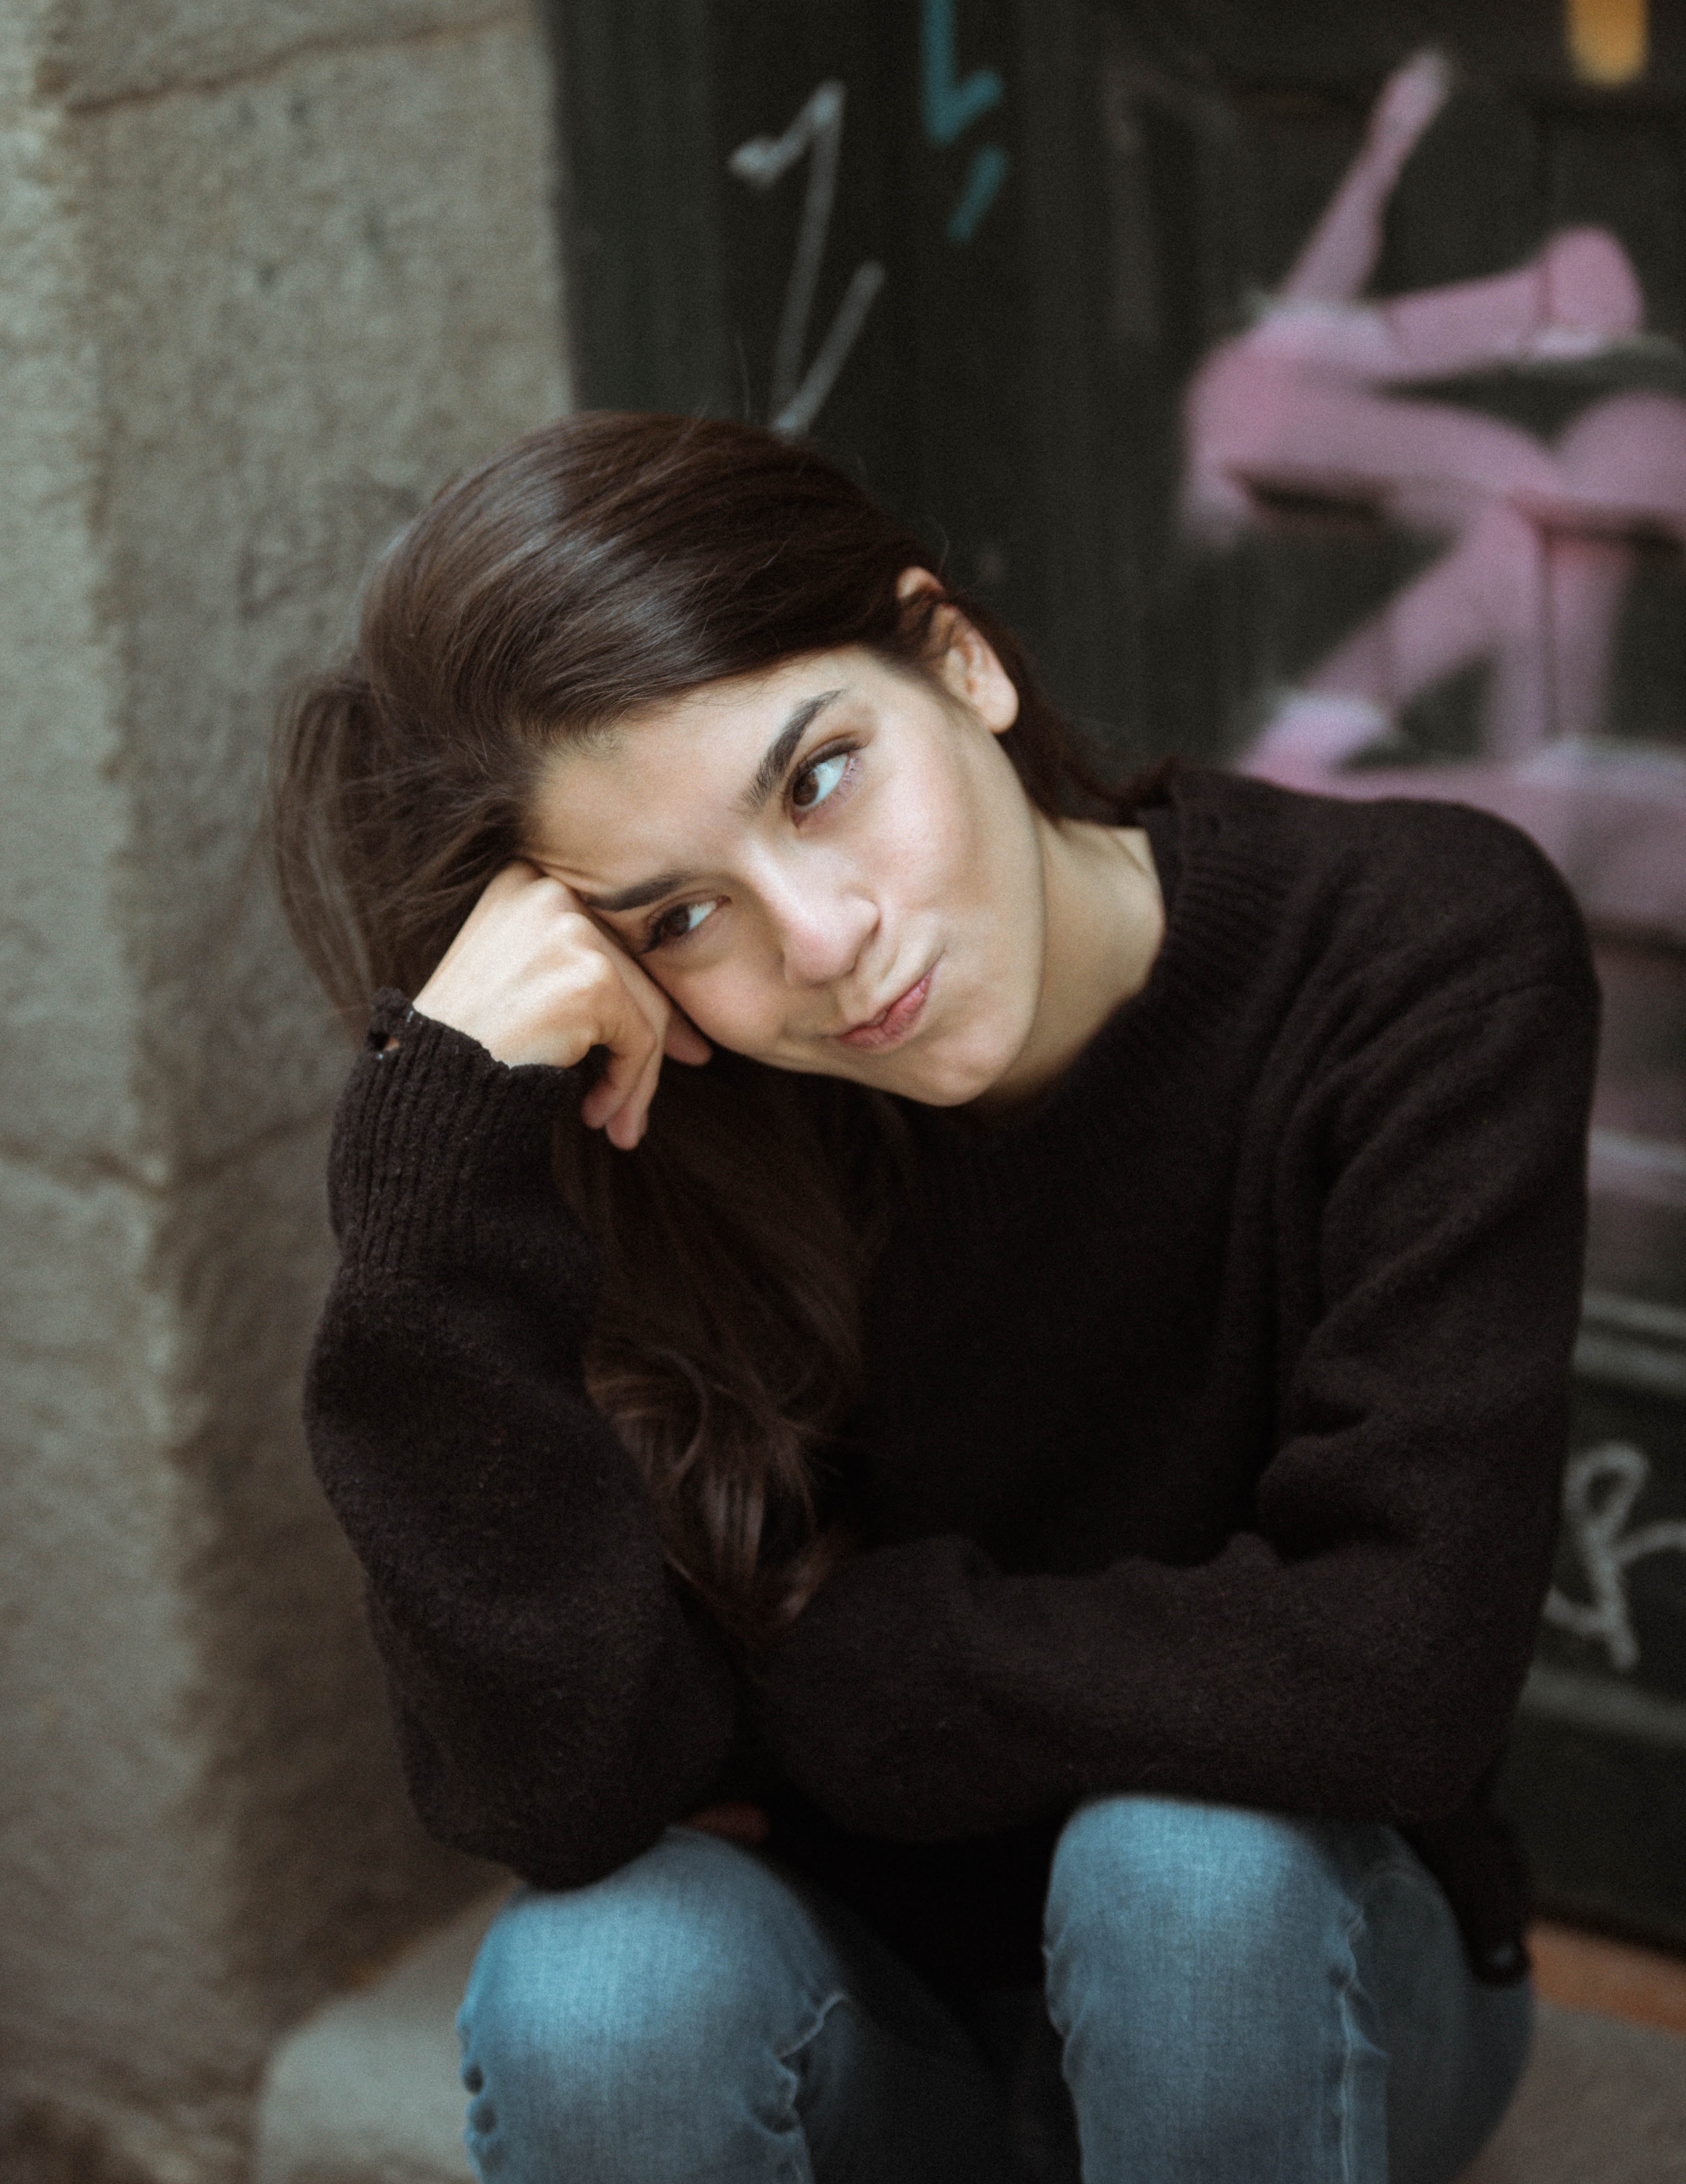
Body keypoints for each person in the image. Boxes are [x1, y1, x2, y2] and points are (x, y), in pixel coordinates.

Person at [274, 410, 1598, 2184]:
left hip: (1308, 1971)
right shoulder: (660, 1118)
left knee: (1184, 1871)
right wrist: (437, 1192)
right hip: (873, 2019)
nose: (821, 943)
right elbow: (564, 1798)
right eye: (679, 919)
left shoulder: (1415, 955)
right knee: (598, 1985)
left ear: (954, 655)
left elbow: (1400, 1668)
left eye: (819, 777)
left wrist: (841, 1672)